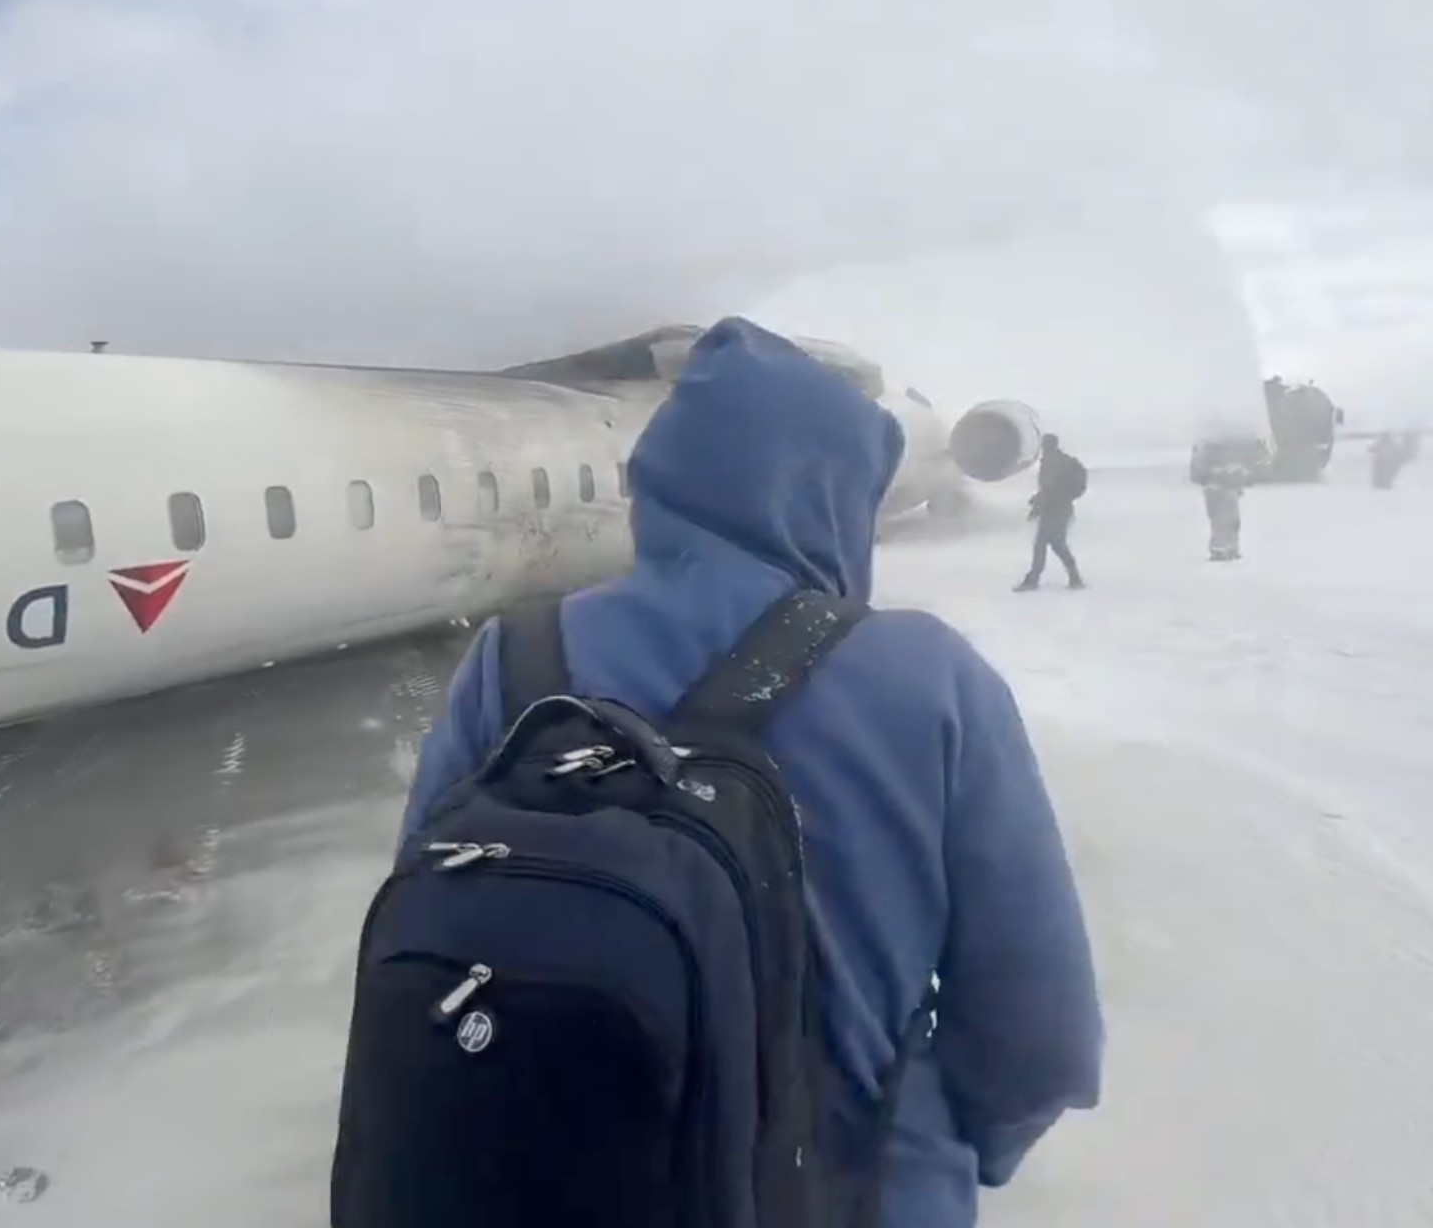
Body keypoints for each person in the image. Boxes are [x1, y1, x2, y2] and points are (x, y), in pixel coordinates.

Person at [399, 317, 1104, 1228]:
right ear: (834, 493)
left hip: (559, 1182)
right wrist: (940, 1149)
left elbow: (433, 914)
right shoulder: (932, 681)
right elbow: (1040, 1039)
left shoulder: (514, 662)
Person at [1015, 434, 1087, 591]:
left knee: (1049, 545)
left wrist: (1036, 507)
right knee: (1054, 545)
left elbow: (1049, 489)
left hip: (1054, 510)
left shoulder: (1053, 463)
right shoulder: (1060, 461)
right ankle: (1073, 577)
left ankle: (1034, 580)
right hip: (1060, 509)